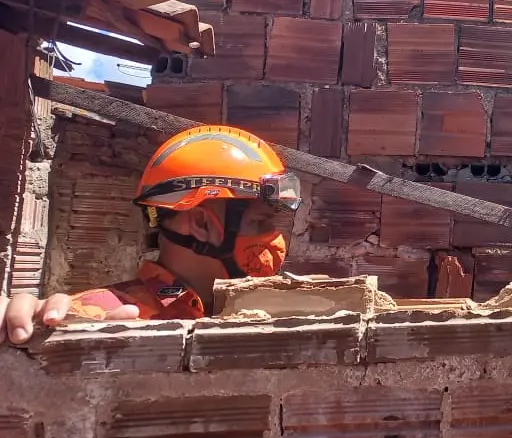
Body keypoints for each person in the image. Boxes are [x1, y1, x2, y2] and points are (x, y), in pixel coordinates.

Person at [0, 125, 300, 344]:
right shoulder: (96, 319)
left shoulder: (276, 315)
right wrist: (25, 335)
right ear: (202, 224)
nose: (275, 241)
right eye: (261, 223)